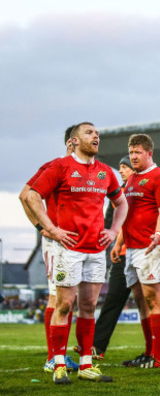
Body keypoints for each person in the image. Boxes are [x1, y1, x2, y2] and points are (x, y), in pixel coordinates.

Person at [27, 122, 127, 384]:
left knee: (89, 306)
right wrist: (49, 228)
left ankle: (85, 364)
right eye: (89, 132)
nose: (96, 136)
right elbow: (32, 196)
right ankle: (58, 364)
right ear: (73, 141)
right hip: (68, 248)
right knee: (64, 304)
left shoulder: (106, 172)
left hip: (96, 249)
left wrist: (114, 229)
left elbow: (121, 202)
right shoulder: (59, 167)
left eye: (97, 133)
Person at [19, 125, 79, 373]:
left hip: (78, 243)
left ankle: (59, 355)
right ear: (70, 143)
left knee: (69, 298)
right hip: (57, 241)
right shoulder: (54, 166)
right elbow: (25, 195)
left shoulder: (88, 172)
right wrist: (40, 227)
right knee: (58, 296)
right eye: (84, 137)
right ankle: (54, 357)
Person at [113, 134, 160, 369]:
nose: (133, 157)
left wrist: (159, 234)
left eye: (137, 152)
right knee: (140, 301)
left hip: (152, 246)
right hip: (132, 247)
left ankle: (158, 357)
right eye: (131, 153)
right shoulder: (131, 180)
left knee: (153, 298)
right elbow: (126, 214)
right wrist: (119, 242)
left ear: (149, 153)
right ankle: (149, 352)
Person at [76, 156, 134, 360]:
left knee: (148, 304)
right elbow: (110, 222)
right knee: (112, 300)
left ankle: (154, 352)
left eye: (125, 167)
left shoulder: (145, 189)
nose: (122, 171)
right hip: (122, 254)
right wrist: (110, 240)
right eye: (120, 168)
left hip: (144, 252)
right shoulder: (117, 193)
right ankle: (96, 346)